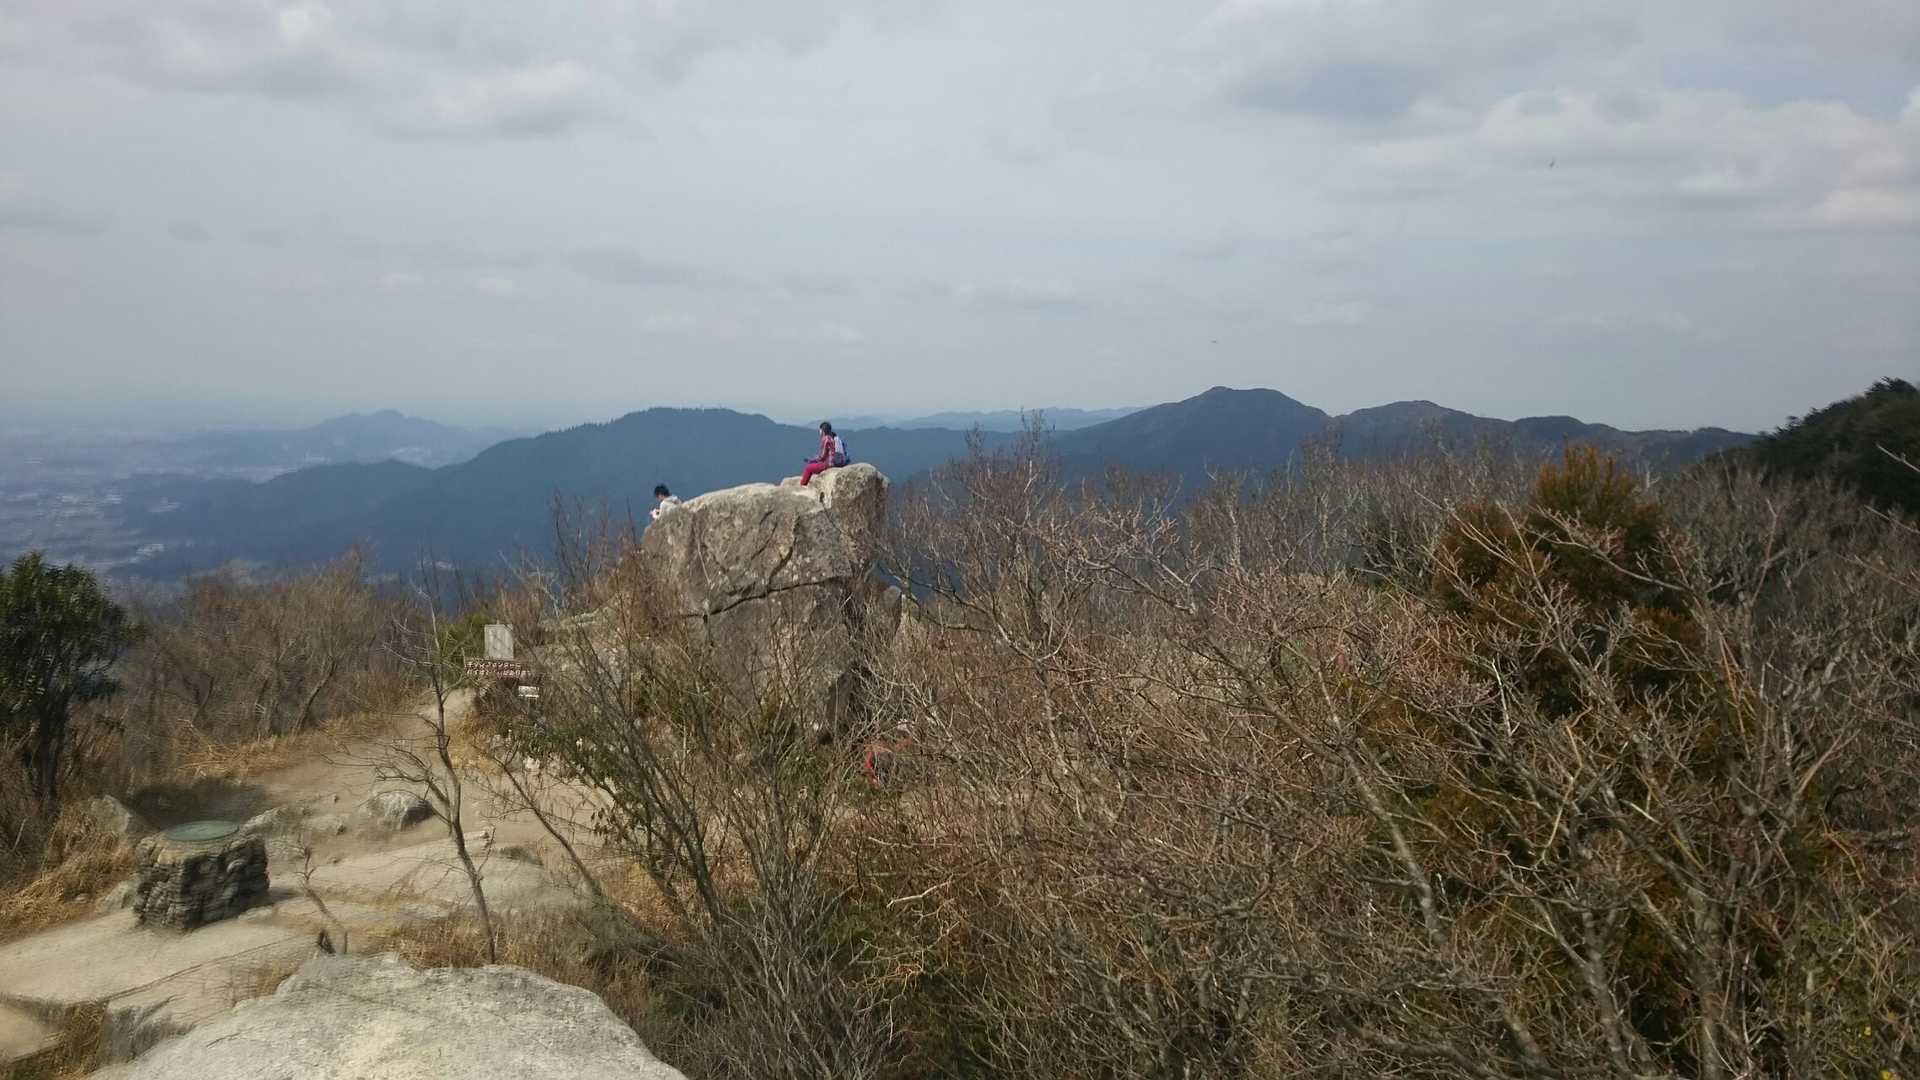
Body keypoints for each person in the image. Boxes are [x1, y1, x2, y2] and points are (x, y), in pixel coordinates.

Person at [800, 421, 849, 486]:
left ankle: (802, 485)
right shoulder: (834, 437)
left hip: (830, 464)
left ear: (822, 431)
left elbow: (822, 456)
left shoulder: (826, 439)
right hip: (839, 463)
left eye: (820, 430)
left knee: (808, 468)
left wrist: (811, 460)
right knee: (814, 465)